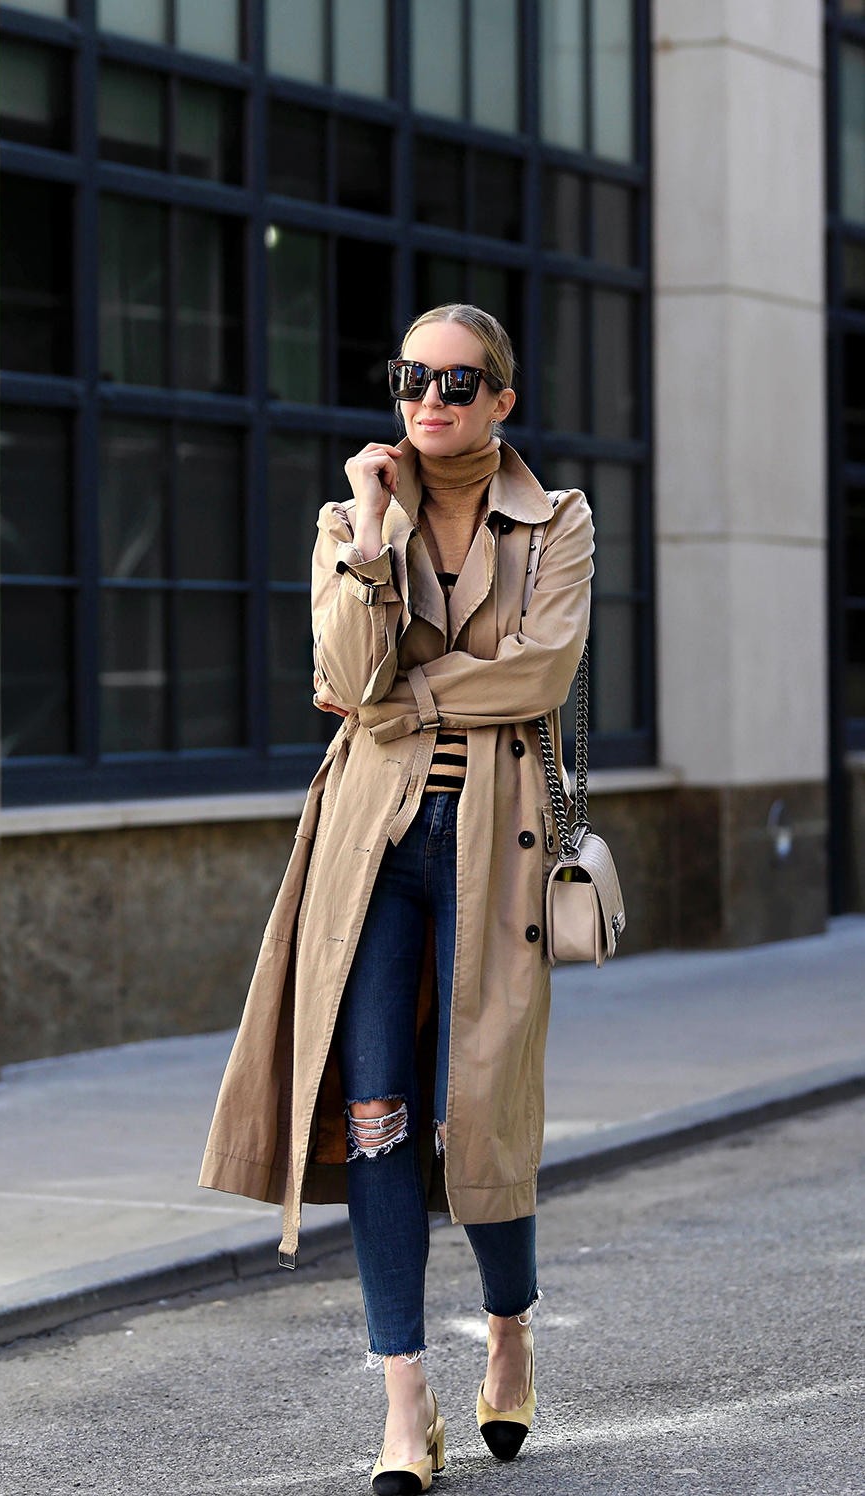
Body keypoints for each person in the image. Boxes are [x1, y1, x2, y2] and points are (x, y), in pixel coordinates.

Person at [200, 303, 594, 1494]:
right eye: (411, 376)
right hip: (369, 852)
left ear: (502, 398)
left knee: (481, 1112)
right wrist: (375, 535)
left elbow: (543, 666)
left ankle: (510, 1323)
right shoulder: (349, 516)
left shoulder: (559, 519)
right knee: (374, 1108)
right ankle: (406, 1395)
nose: (433, 397)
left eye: (460, 380)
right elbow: (334, 673)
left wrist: (406, 700)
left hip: (493, 843)